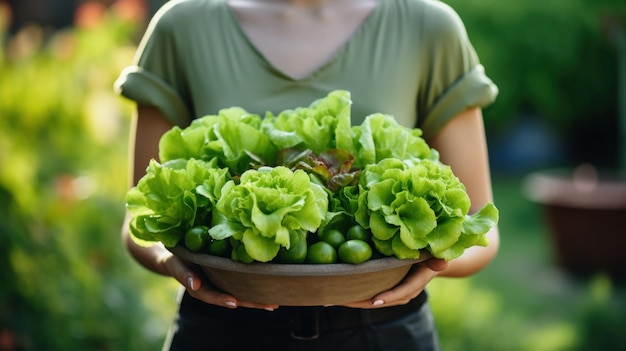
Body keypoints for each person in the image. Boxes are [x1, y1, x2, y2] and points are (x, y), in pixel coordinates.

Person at [114, 0, 500, 349]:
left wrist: (432, 265)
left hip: (383, 332)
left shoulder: (428, 25)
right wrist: (169, 261)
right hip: (221, 328)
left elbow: (481, 223)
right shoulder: (182, 25)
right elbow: (140, 215)